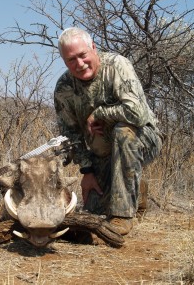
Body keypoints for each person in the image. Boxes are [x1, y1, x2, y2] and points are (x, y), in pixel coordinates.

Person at [54, 27, 163, 235]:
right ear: (64, 61)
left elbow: (138, 113)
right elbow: (71, 135)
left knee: (124, 131)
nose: (79, 64)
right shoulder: (63, 87)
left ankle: (123, 216)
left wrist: (99, 114)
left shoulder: (117, 65)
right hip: (102, 151)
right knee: (92, 215)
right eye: (70, 60)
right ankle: (136, 188)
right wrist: (87, 171)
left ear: (93, 48)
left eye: (82, 55)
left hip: (143, 139)